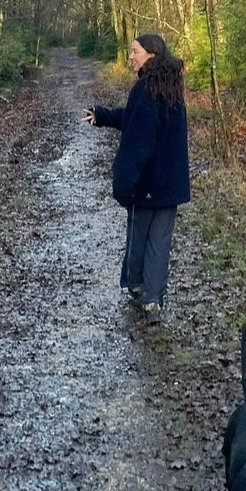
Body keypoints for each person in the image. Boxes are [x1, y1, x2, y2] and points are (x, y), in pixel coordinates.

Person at [83, 33, 189, 324]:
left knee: (139, 236)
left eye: (135, 52)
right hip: (171, 184)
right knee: (160, 242)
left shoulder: (144, 90)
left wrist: (124, 183)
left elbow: (138, 142)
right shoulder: (171, 88)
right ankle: (153, 301)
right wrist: (102, 116)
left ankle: (137, 286)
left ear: (151, 56)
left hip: (148, 183)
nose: (131, 57)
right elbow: (134, 119)